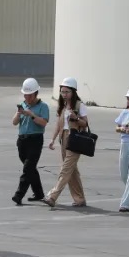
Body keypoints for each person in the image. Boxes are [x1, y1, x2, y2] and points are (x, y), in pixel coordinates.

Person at [43, 77, 88, 208]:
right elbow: (58, 124)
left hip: (75, 139)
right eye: (62, 92)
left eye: (67, 92)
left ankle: (53, 196)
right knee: (72, 171)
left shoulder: (79, 105)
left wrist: (76, 118)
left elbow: (85, 123)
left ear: (73, 92)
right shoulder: (62, 106)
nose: (64, 94)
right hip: (64, 138)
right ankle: (79, 199)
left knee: (65, 169)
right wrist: (52, 139)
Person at [11, 77, 50, 205]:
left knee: (28, 168)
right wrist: (19, 113)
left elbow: (43, 123)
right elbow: (14, 122)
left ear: (36, 93)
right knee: (30, 168)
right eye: (25, 95)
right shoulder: (23, 105)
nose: (27, 97)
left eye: (29, 95)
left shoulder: (43, 106)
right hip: (22, 140)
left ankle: (19, 194)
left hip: (35, 140)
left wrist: (31, 115)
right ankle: (39, 193)